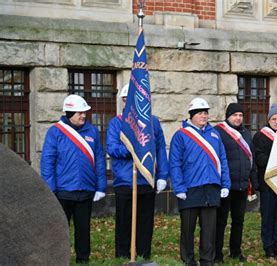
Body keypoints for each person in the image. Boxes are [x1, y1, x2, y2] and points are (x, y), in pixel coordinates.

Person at [40, 94, 107, 264]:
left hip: (85, 190)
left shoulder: (92, 131)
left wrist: (101, 186)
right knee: (59, 231)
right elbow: (48, 162)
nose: (83, 115)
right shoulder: (55, 132)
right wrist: (51, 190)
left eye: (84, 112)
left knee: (83, 229)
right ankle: (57, 259)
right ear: (69, 113)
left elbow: (99, 159)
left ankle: (83, 259)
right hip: (63, 192)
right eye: (79, 113)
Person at [106, 84, 169, 259]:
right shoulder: (117, 122)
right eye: (126, 99)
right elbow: (112, 148)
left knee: (145, 223)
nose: (130, 103)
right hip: (126, 181)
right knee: (124, 223)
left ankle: (143, 257)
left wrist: (163, 175)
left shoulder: (153, 122)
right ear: (123, 101)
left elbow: (160, 150)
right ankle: (123, 257)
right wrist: (133, 149)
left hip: (147, 179)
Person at [169, 97, 231, 266]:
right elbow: (175, 163)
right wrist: (179, 187)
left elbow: (222, 160)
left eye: (206, 113)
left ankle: (207, 260)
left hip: (211, 188)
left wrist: (225, 184)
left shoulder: (214, 134)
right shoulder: (181, 136)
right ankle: (188, 260)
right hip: (190, 189)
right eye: (200, 113)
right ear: (192, 115)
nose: (204, 116)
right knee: (188, 230)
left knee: (209, 230)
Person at [214, 103, 257, 263]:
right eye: (235, 115)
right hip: (225, 186)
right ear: (228, 116)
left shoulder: (246, 133)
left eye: (240, 115)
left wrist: (253, 181)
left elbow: (251, 158)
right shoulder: (218, 132)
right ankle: (217, 253)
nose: (238, 118)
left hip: (242, 185)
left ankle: (235, 251)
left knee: (238, 221)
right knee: (221, 221)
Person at [252, 103, 277, 258]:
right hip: (268, 183)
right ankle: (268, 247)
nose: (276, 121)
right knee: (268, 217)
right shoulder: (260, 136)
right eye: (274, 118)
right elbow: (259, 158)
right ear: (268, 120)